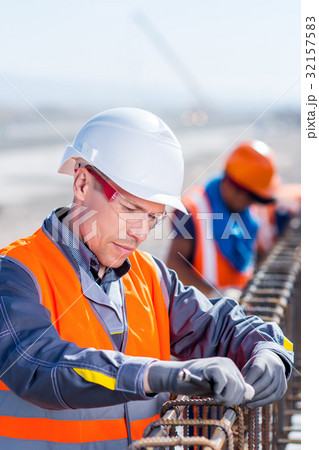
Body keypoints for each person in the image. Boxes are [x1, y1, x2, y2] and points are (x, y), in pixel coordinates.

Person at [0, 108, 293, 449]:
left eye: (153, 217)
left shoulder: (149, 276)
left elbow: (224, 325)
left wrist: (272, 350)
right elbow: (38, 365)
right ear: (81, 183)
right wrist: (158, 374)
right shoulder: (17, 273)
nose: (139, 233)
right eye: (130, 209)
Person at [166, 140, 300, 298]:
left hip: (239, 306)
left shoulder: (247, 211)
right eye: (252, 198)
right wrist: (218, 296)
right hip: (205, 314)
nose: (253, 203)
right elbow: (173, 264)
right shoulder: (193, 209)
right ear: (236, 189)